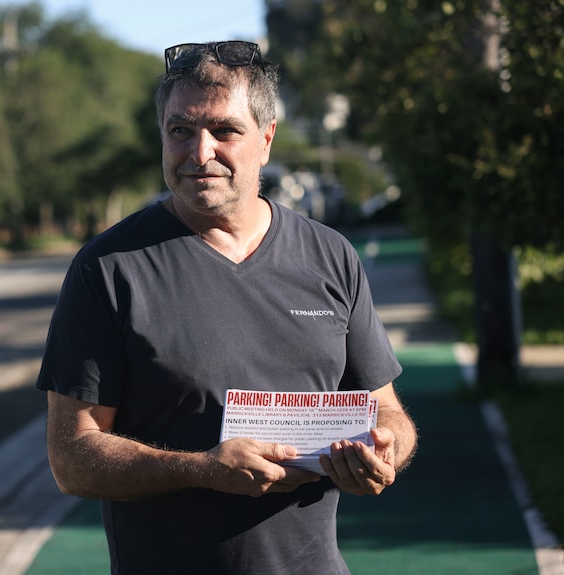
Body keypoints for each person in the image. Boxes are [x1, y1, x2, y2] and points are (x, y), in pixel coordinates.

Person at [36, 40, 417, 574]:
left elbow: (387, 411)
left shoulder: (331, 256)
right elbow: (72, 458)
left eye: (224, 131)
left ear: (266, 138)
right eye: (180, 131)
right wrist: (202, 469)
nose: (199, 153)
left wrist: (383, 454)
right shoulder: (108, 269)